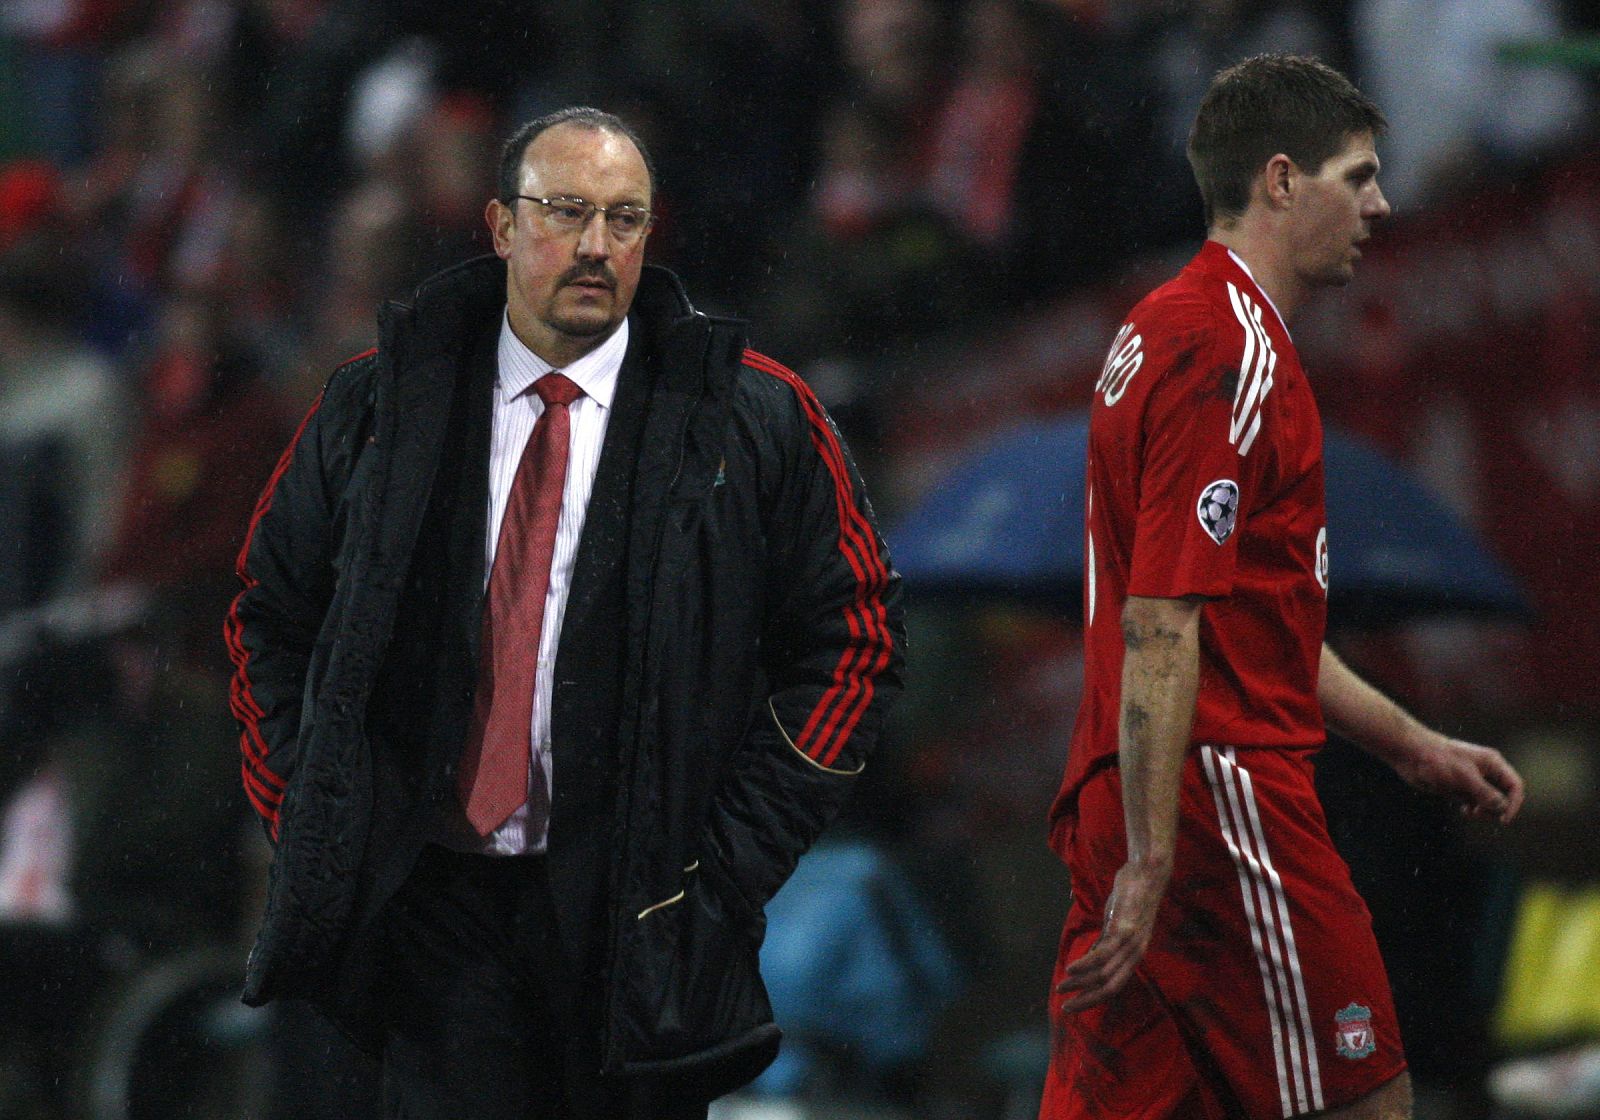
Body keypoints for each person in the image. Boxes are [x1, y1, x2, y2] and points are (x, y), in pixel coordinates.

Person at [223, 106, 904, 1119]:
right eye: (566, 212)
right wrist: (321, 821)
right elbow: (267, 616)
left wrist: (728, 862)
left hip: (642, 916)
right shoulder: (378, 407)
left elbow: (855, 635)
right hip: (430, 913)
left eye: (625, 219)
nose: (596, 246)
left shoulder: (753, 416)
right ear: (500, 226)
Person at [1040, 55, 1524, 1120]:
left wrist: (1411, 744)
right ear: (1278, 180)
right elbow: (1163, 622)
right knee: (1369, 1104)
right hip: (1220, 801)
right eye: (1356, 177)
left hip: (1133, 795)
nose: (1381, 204)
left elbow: (1251, 626)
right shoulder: (1231, 351)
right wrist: (1163, 854)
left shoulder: (1158, 325)